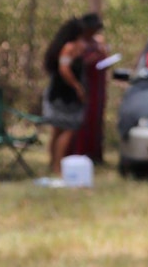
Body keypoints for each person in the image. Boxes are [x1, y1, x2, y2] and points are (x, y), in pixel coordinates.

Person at [41, 17, 87, 177]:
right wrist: (77, 87)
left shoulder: (69, 46)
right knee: (68, 129)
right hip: (63, 95)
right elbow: (64, 69)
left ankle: (53, 162)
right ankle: (57, 167)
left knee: (57, 130)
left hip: (60, 94)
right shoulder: (69, 47)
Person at [67, 12, 109, 164]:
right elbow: (75, 64)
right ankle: (80, 152)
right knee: (83, 119)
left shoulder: (98, 41)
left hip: (98, 85)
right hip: (86, 83)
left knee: (96, 119)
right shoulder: (78, 43)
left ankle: (95, 153)